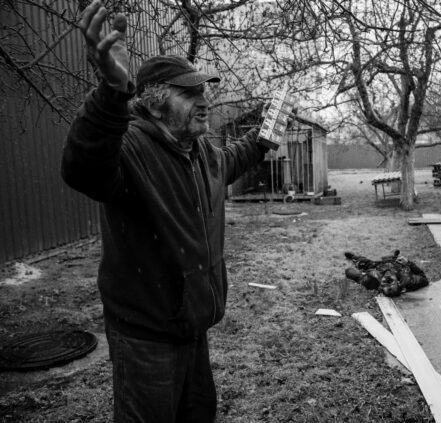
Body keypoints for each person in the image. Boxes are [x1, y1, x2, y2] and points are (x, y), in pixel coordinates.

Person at [61, 1, 278, 421]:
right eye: (190, 93)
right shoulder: (130, 148)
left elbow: (231, 160)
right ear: (157, 102)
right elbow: (82, 169)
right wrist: (111, 92)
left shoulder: (199, 150)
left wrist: (263, 137)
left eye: (204, 90)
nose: (204, 100)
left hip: (191, 325)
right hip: (146, 339)